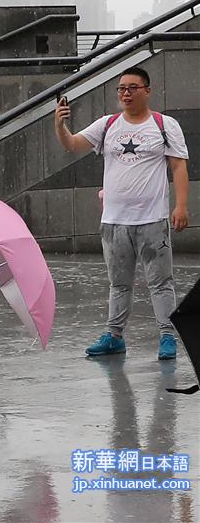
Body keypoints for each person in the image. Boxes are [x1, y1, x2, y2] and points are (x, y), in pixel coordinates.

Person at [54, 66, 189, 360]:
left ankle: (167, 336)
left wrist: (180, 205)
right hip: (114, 222)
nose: (125, 93)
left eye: (132, 88)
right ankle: (114, 335)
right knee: (119, 283)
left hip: (152, 219)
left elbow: (178, 166)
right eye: (121, 88)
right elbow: (73, 145)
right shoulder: (108, 124)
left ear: (147, 91)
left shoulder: (165, 125)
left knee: (161, 282)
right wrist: (60, 127)